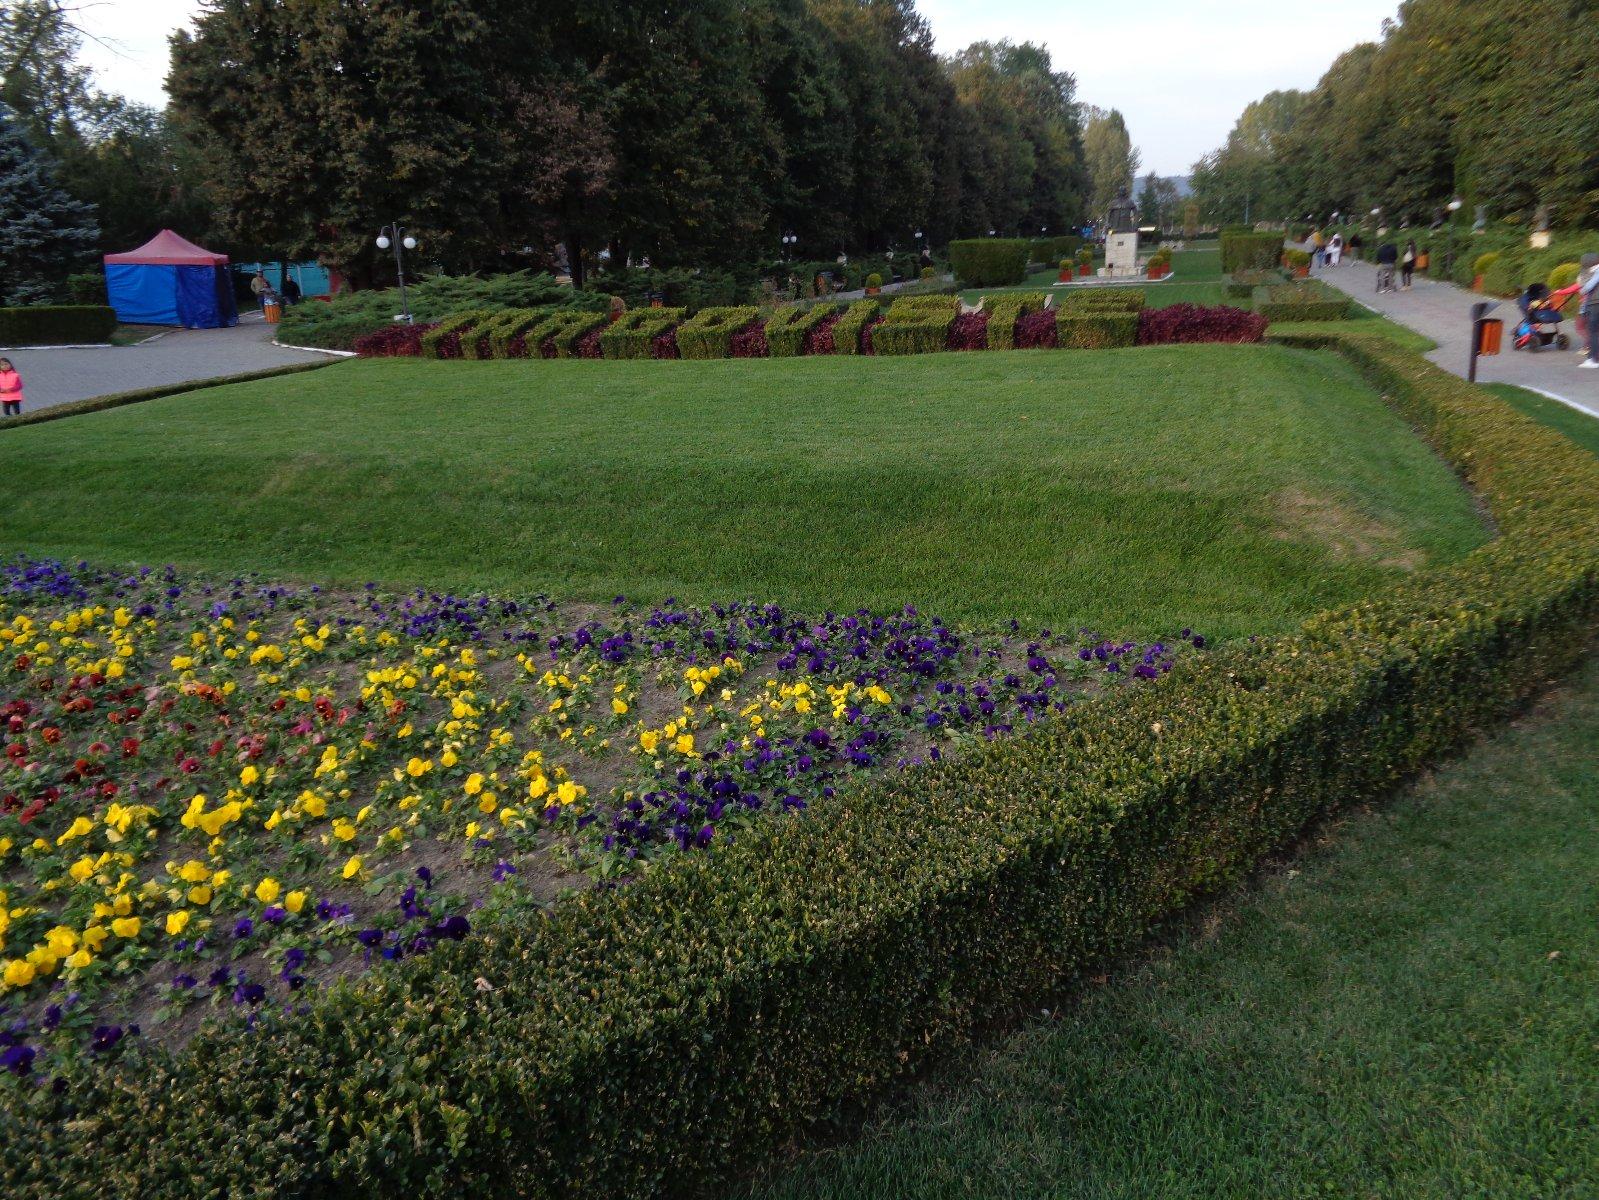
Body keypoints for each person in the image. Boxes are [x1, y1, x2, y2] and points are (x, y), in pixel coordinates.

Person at [1579, 253, 1599, 369]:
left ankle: (1593, 359)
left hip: (1595, 303)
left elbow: (1586, 288)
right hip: (1594, 303)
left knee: (1593, 332)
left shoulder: (1595, 271)